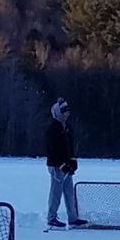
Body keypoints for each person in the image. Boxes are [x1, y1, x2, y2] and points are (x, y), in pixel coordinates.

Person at [46, 98, 87, 228]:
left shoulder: (67, 127)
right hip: (56, 166)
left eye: (68, 111)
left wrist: (73, 161)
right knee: (56, 193)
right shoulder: (53, 128)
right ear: (59, 112)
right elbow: (52, 150)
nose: (67, 114)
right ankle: (51, 217)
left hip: (67, 165)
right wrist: (61, 165)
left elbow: (70, 146)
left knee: (69, 192)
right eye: (65, 111)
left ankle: (73, 218)